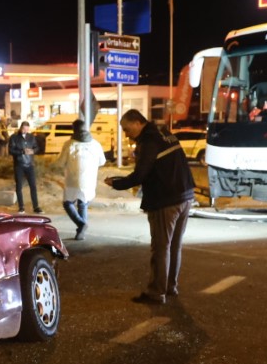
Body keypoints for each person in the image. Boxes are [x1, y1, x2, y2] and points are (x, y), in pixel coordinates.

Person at [104, 109, 195, 304]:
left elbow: (140, 175)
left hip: (166, 200)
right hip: (185, 196)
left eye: (127, 129)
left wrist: (116, 183)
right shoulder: (164, 133)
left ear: (137, 123)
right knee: (174, 245)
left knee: (161, 247)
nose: (126, 134)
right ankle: (170, 287)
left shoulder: (149, 141)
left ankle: (156, 292)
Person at [54, 119, 104, 240]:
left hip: (73, 180)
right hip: (90, 180)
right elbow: (102, 161)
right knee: (83, 204)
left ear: (73, 129)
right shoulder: (95, 144)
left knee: (67, 203)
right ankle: (81, 233)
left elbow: (60, 163)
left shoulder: (70, 144)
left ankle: (81, 224)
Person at [8, 121, 42, 213]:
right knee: (19, 186)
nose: (25, 131)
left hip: (30, 164)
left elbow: (37, 147)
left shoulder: (31, 137)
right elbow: (11, 150)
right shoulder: (14, 137)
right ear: (20, 128)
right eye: (24, 129)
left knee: (33, 186)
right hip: (19, 164)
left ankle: (36, 207)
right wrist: (22, 152)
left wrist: (33, 151)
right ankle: (21, 207)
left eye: (27, 129)